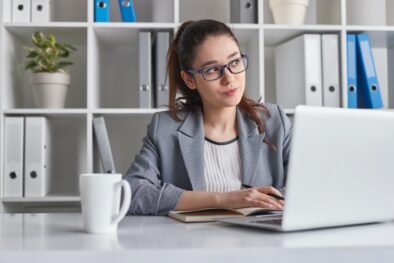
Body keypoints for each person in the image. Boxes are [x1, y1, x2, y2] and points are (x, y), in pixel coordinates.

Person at [125, 19, 292, 215]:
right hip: (191, 242)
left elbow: (310, 185)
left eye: (235, 62)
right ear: (189, 79)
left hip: (261, 242)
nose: (229, 78)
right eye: (212, 69)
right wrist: (222, 199)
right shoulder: (165, 128)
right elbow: (132, 192)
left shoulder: (274, 121)